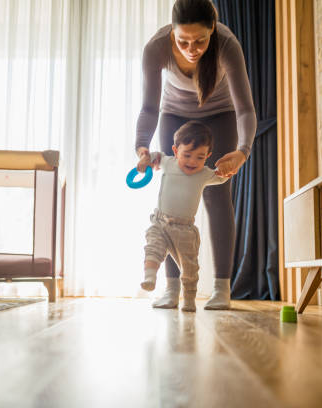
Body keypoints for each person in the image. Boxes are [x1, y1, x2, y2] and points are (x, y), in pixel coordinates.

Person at [135, 0, 257, 310]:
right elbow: (149, 108)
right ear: (172, 33)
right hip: (174, 114)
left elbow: (245, 109)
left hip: (221, 114)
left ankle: (222, 287)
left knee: (218, 196)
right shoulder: (156, 49)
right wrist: (142, 146)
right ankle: (172, 288)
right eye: (183, 41)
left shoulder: (227, 45)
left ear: (212, 30)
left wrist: (243, 151)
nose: (192, 48)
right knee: (172, 201)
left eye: (200, 41)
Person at [138, 121, 227, 312]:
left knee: (189, 268)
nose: (193, 162)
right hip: (160, 222)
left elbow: (221, 177)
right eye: (187, 155)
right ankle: (150, 277)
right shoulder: (168, 162)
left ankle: (188, 299)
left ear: (208, 156)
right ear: (175, 150)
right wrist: (145, 160)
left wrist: (228, 169)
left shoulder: (204, 173)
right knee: (152, 247)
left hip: (185, 230)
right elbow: (154, 156)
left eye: (200, 157)